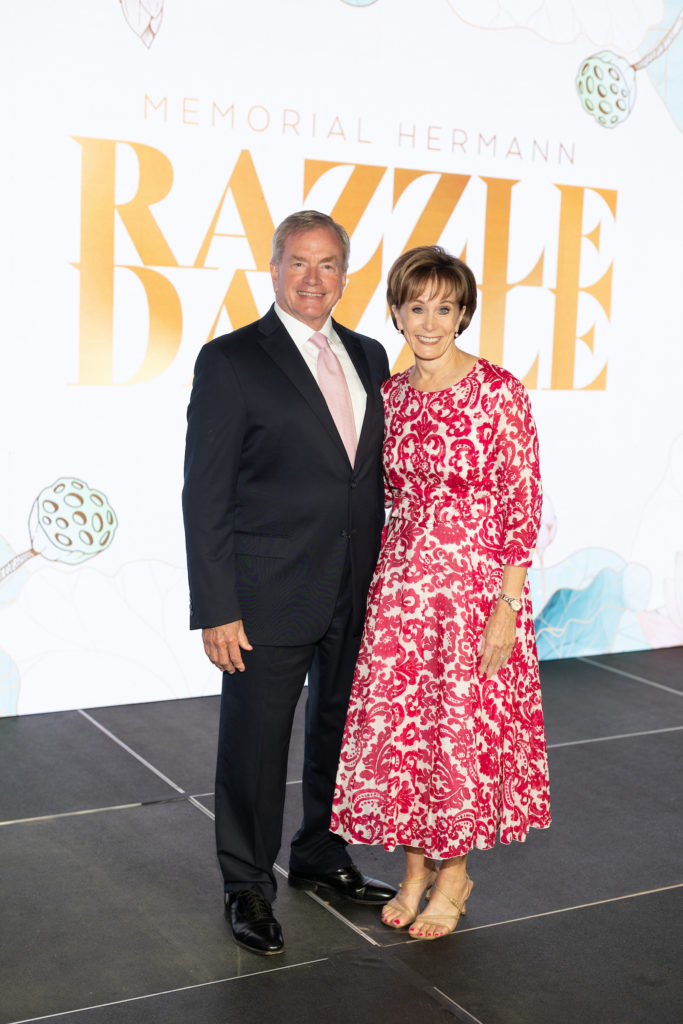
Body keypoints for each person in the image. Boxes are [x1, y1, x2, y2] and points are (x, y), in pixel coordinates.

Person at [182, 210, 395, 956]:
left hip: (357, 586)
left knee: (341, 732)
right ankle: (246, 884)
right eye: (299, 263)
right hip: (265, 594)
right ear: (273, 269)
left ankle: (320, 854)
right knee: (255, 744)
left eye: (328, 264)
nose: (313, 278)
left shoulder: (371, 357)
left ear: (345, 273)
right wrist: (216, 605)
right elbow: (203, 494)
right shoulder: (232, 359)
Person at [331, 245, 551, 941]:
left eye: (444, 308)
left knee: (456, 738)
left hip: (472, 596)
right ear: (395, 311)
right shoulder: (388, 398)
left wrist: (506, 609)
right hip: (400, 593)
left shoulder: (498, 392)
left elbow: (521, 506)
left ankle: (453, 873)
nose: (429, 321)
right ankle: (414, 868)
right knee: (409, 737)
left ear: (463, 315)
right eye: (416, 306)